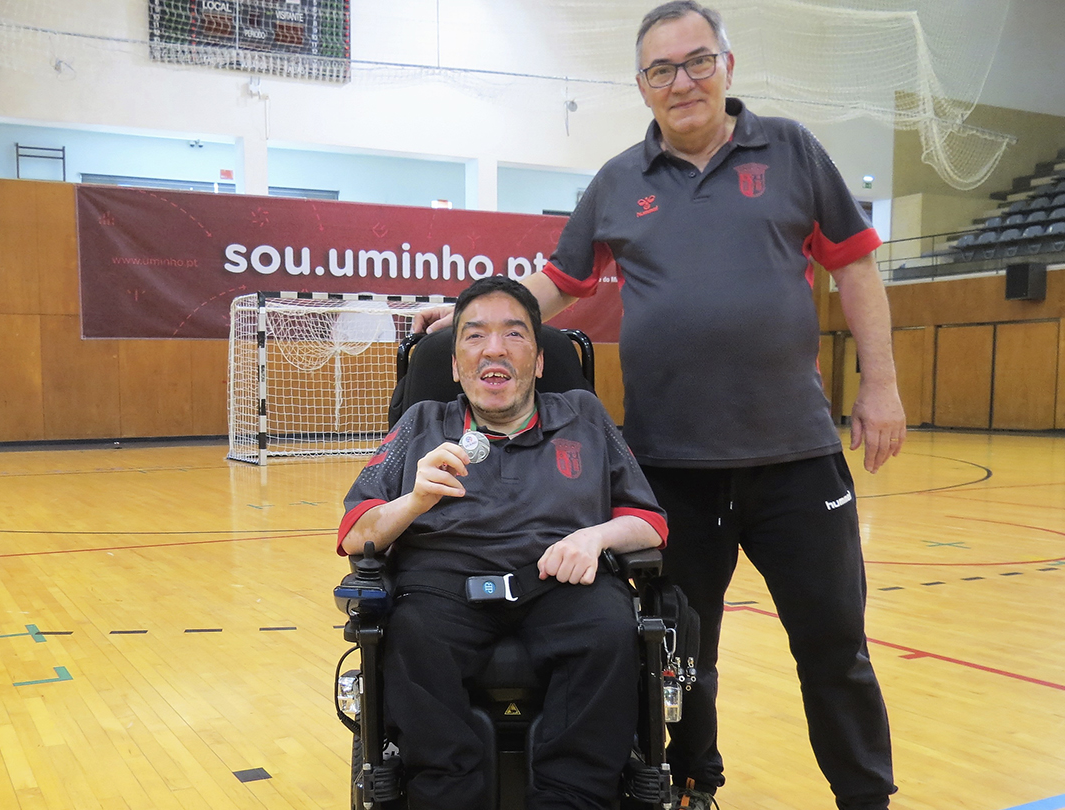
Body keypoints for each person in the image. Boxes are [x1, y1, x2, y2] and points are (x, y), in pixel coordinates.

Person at [412, 3, 906, 809]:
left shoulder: (792, 150)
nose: (683, 82)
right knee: (682, 655)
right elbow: (560, 283)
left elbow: (854, 266)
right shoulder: (618, 181)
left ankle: (866, 799)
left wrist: (880, 386)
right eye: (662, 70)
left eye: (698, 61)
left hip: (797, 461)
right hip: (670, 469)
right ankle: (694, 784)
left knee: (834, 651)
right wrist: (476, 312)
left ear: (727, 66)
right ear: (641, 85)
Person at [339, 276, 668, 810]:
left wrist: (596, 537)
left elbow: (649, 522)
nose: (494, 348)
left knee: (610, 629)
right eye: (474, 335)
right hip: (443, 585)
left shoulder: (584, 416)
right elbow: (357, 533)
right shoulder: (422, 423)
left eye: (514, 334)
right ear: (454, 365)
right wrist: (414, 501)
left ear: (538, 361)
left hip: (561, 578)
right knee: (412, 634)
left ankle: (571, 799)